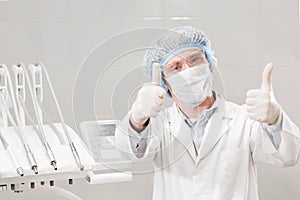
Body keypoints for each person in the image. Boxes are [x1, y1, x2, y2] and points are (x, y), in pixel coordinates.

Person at [115, 26, 300, 200]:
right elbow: (129, 154)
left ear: (209, 62)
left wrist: (275, 121)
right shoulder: (159, 124)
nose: (189, 71)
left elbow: (289, 156)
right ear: (165, 81)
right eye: (176, 67)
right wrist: (138, 119)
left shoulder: (244, 119)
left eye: (195, 59)